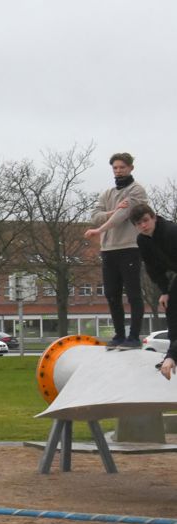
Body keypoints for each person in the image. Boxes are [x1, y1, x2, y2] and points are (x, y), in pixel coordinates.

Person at [84, 152, 148, 348]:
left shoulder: (136, 191)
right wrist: (110, 212)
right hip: (108, 249)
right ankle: (119, 335)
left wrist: (99, 229)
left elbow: (123, 215)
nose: (118, 171)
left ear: (130, 168)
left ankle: (134, 336)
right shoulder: (108, 193)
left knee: (133, 294)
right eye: (115, 168)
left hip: (129, 247)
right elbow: (94, 215)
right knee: (111, 293)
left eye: (122, 167)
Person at [129, 203, 177, 379]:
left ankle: (173, 355)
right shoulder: (142, 240)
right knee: (170, 307)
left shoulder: (171, 232)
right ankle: (171, 356)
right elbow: (153, 268)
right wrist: (165, 291)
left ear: (154, 218)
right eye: (138, 223)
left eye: (146, 220)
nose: (143, 226)